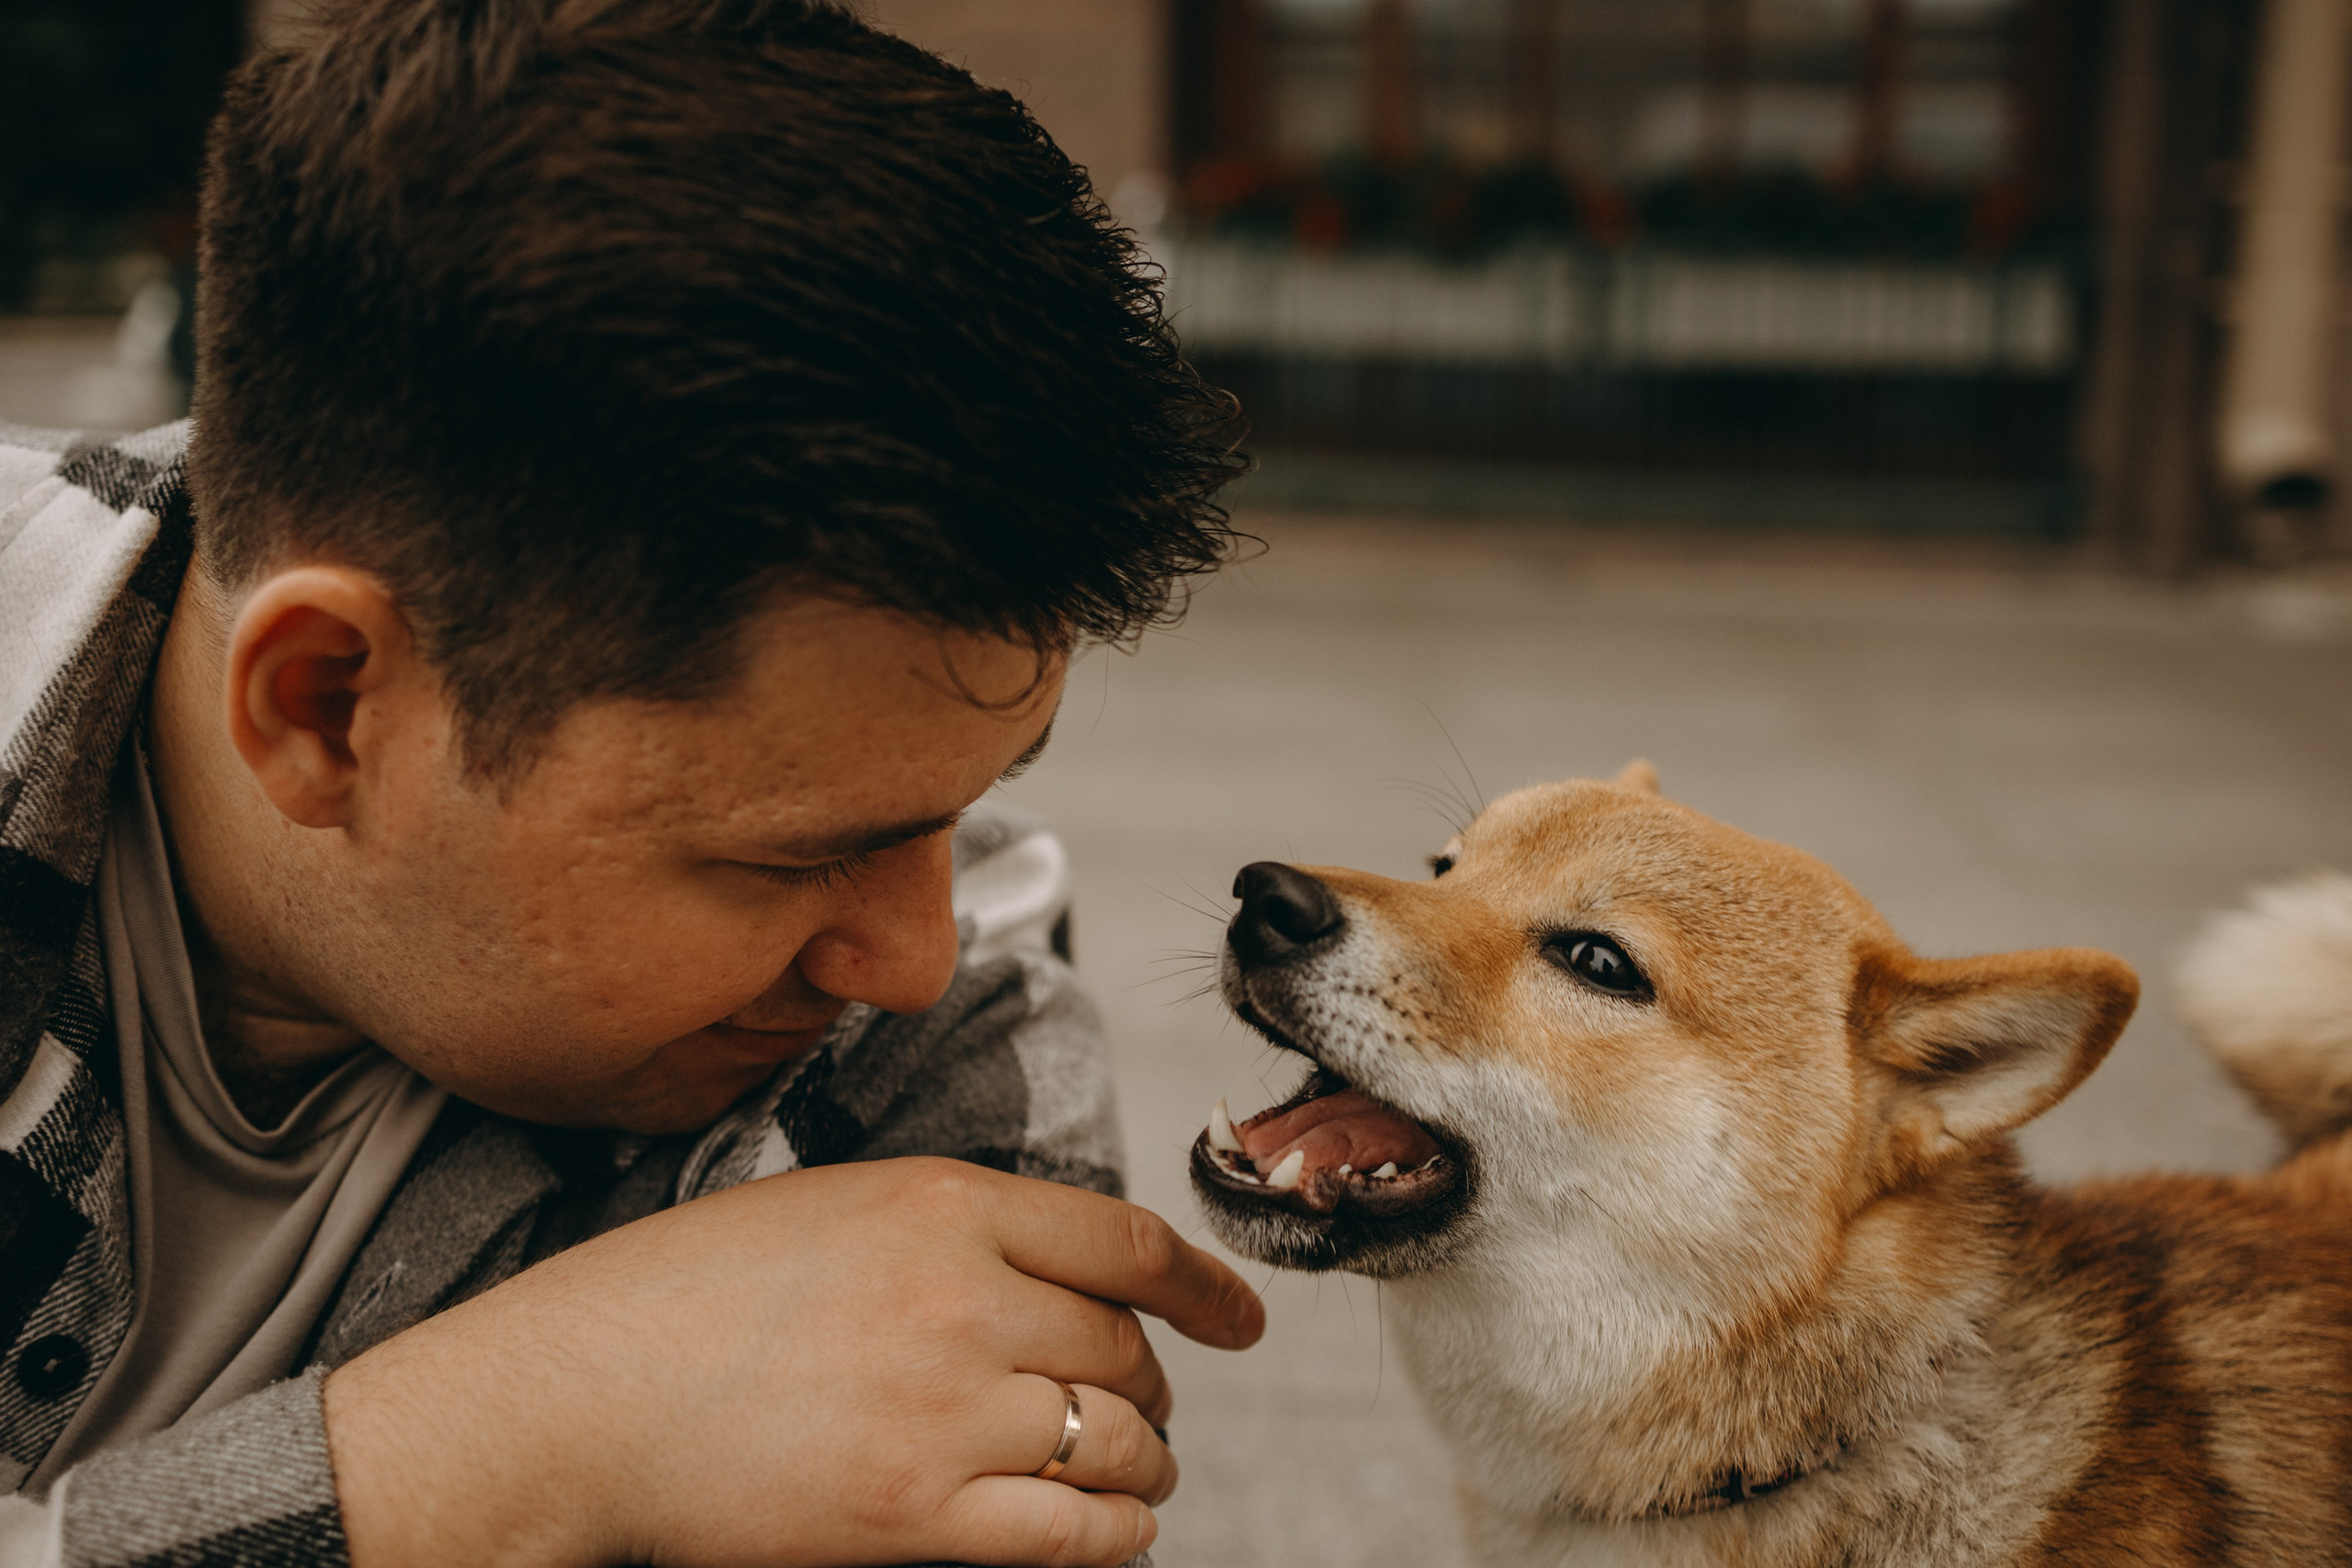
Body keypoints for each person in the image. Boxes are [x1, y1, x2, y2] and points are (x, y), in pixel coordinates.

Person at [0, 2, 1264, 1564]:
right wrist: (501, 1446)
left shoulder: (936, 1064)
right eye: (790, 854)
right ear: (329, 705)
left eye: (958, 801)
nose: (917, 955)